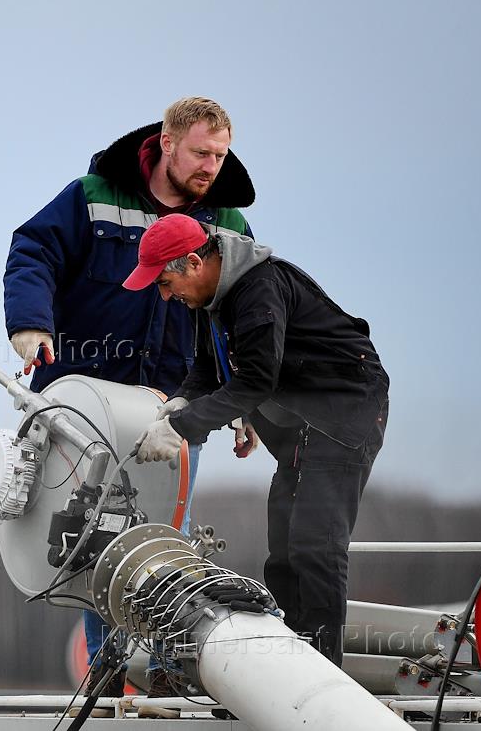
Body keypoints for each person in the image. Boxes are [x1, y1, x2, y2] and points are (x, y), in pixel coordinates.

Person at [3, 97, 255, 709]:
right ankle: (106, 679)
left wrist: (243, 402)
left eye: (220, 156)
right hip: (86, 407)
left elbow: (239, 311)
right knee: (99, 542)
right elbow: (34, 251)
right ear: (166, 144)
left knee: (167, 536)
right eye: (200, 153)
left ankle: (167, 678)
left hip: (174, 406)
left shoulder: (225, 221)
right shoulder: (93, 198)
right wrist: (31, 323)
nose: (211, 167)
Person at [124, 214, 390, 667]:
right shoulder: (210, 297)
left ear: (194, 263)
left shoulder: (257, 289)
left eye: (165, 283)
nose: (165, 295)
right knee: (283, 552)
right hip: (300, 426)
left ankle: (322, 671)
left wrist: (182, 428)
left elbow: (256, 380)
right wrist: (182, 401)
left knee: (315, 547)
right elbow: (208, 368)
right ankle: (288, 661)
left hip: (344, 412)